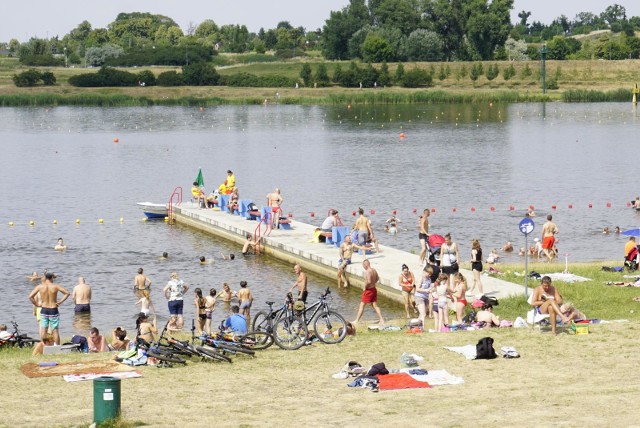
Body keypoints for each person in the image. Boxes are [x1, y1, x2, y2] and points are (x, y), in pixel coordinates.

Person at [29, 272, 69, 345]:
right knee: (55, 331)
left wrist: (37, 304)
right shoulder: (55, 286)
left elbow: (30, 296)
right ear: (51, 278)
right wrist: (60, 302)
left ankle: (44, 346)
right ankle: (57, 347)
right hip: (53, 309)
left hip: (44, 309)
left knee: (43, 330)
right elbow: (67, 293)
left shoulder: (40, 286)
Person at [352, 259, 385, 325]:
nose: (363, 267)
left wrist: (365, 286)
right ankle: (382, 319)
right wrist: (373, 283)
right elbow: (377, 278)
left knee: (362, 305)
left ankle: (356, 320)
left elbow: (369, 281)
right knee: (375, 305)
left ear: (365, 264)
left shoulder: (368, 271)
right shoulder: (374, 270)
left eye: (363, 265)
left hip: (369, 291)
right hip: (373, 289)